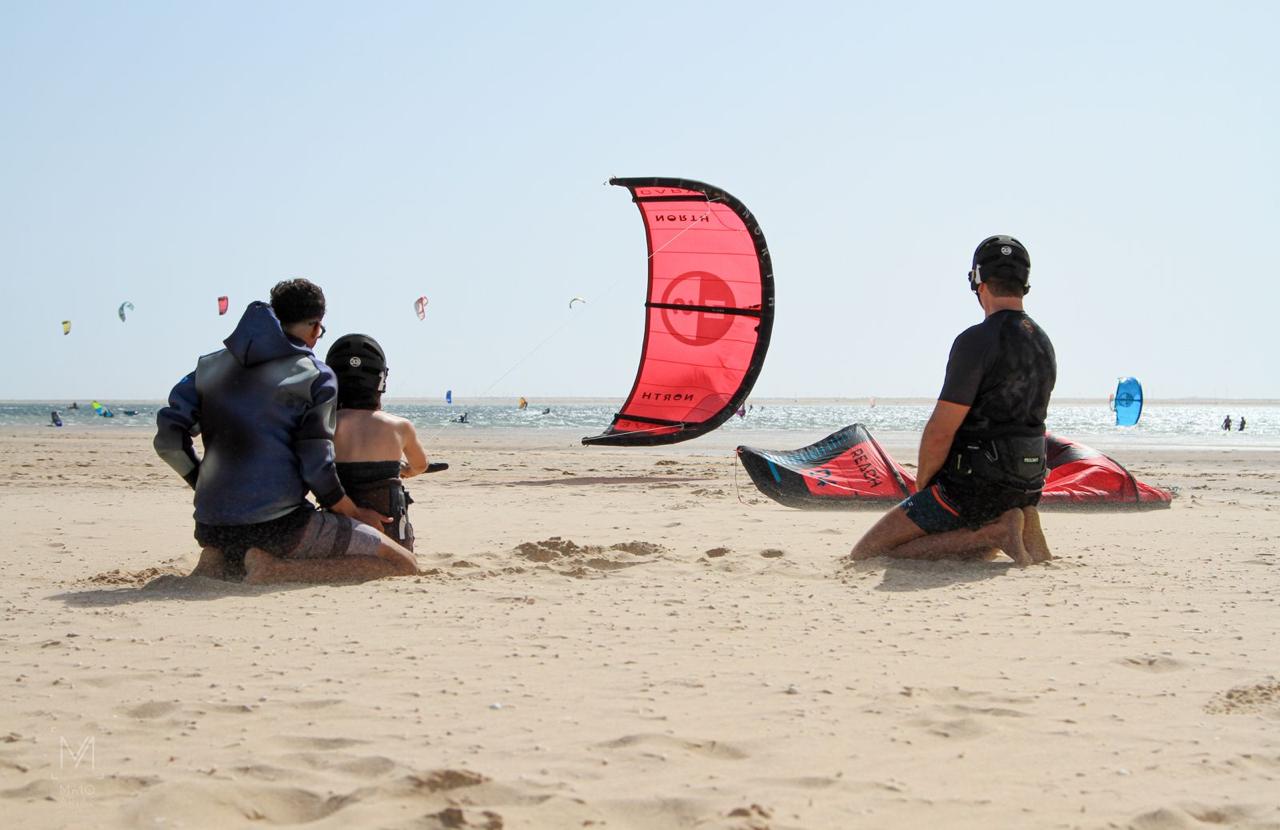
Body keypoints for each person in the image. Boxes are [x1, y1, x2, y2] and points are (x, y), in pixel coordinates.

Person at [153, 279, 419, 584]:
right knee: (402, 563)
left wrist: (203, 483)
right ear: (315, 327)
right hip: (281, 529)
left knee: (234, 542)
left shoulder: (208, 367)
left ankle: (218, 557)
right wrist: (356, 513)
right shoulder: (315, 376)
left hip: (211, 526)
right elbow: (316, 465)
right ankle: (275, 569)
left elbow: (168, 441)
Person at [850, 235, 1056, 567]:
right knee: (964, 551)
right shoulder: (1042, 341)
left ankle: (995, 532)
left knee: (867, 553)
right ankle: (1015, 521)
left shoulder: (976, 340)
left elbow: (941, 430)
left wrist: (924, 488)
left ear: (978, 282)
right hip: (1027, 486)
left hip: (972, 488)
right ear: (1025, 284)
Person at [325, 334, 429, 551]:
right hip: (388, 533)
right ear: (381, 381)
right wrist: (406, 471)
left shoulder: (324, 424)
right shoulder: (400, 426)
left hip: (339, 529)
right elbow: (421, 465)